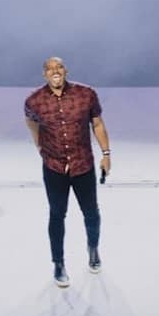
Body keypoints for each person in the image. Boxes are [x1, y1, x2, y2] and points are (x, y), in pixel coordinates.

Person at [24, 57, 110, 287]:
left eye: (59, 67)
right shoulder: (34, 101)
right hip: (54, 167)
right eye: (50, 68)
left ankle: (93, 250)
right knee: (56, 215)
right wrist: (40, 146)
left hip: (83, 165)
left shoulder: (86, 94)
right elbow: (31, 122)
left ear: (65, 71)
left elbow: (97, 124)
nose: (55, 71)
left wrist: (106, 154)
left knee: (91, 213)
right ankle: (59, 264)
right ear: (44, 74)